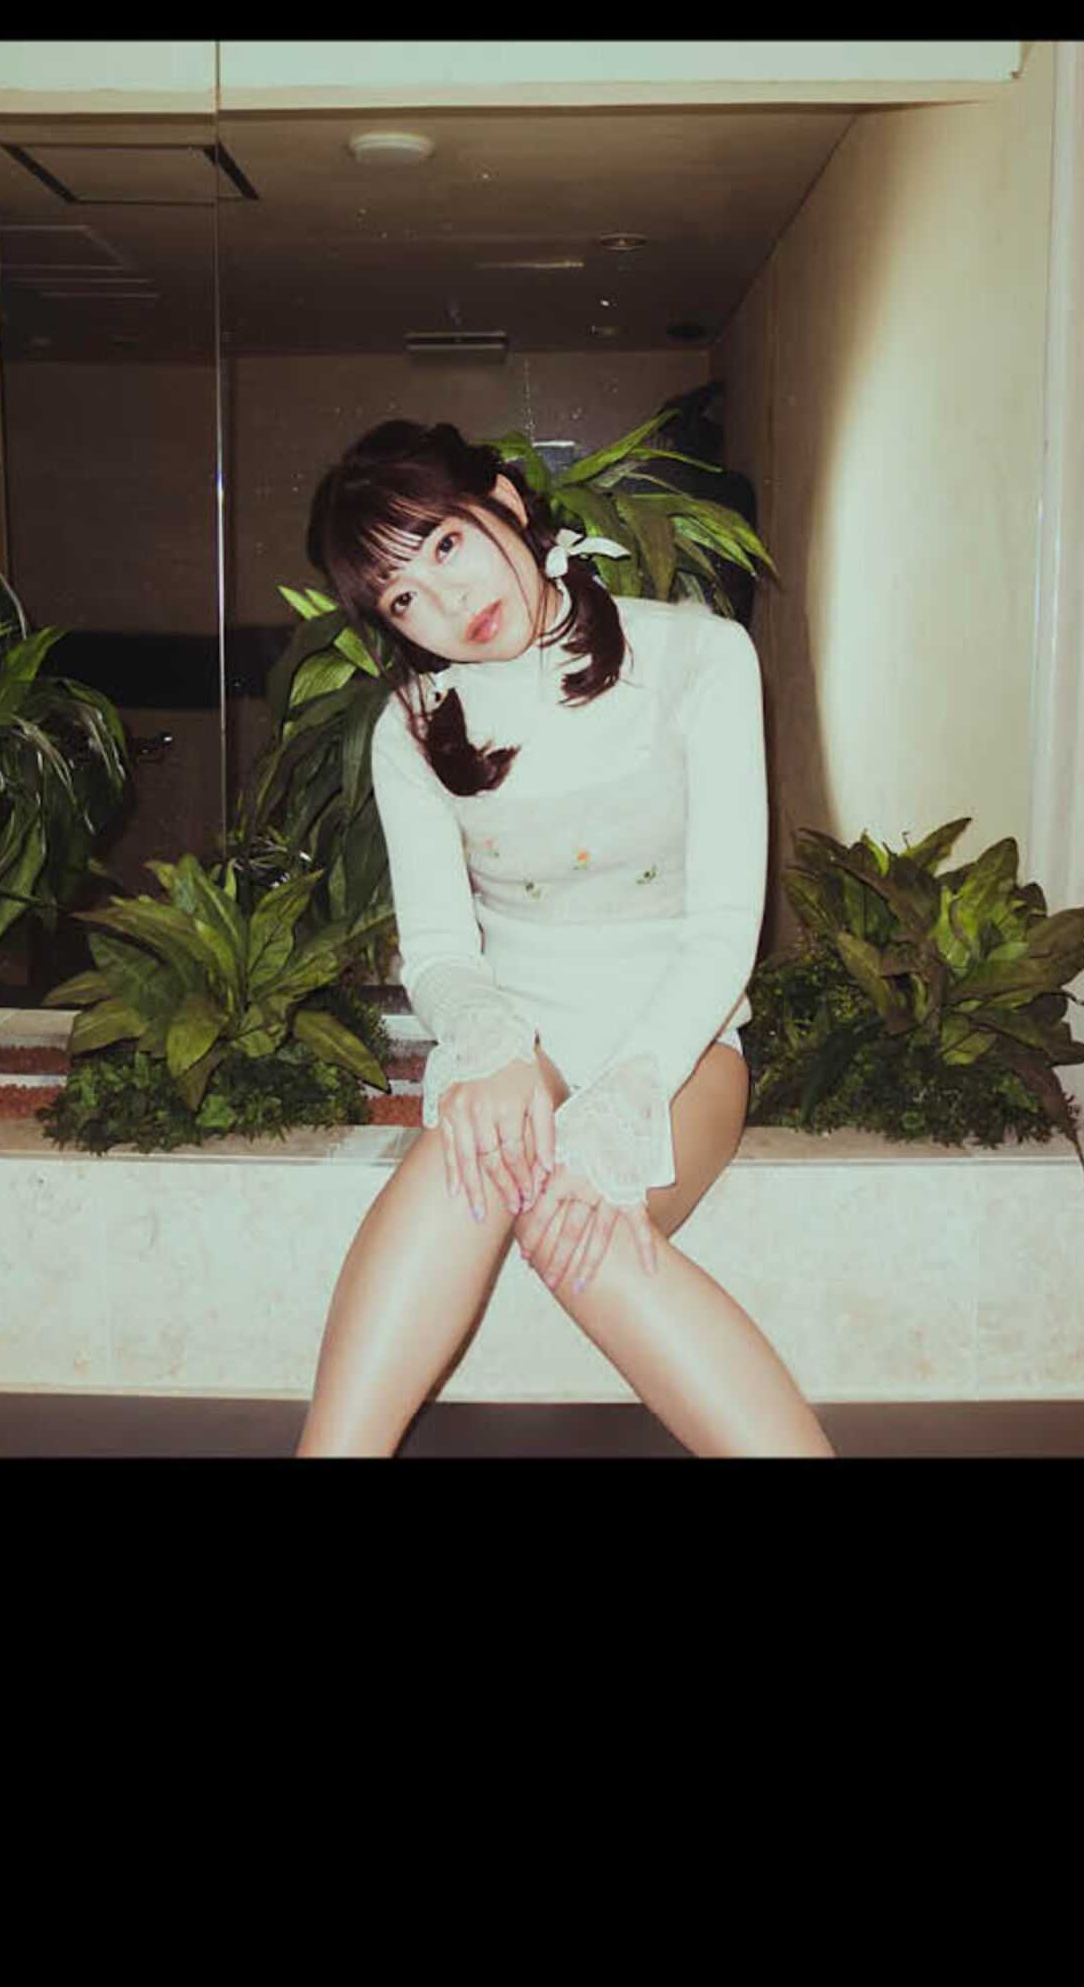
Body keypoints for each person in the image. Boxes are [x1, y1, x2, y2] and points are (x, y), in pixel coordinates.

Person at [293, 419, 836, 1458]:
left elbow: (726, 931)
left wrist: (623, 1101)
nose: (445, 602)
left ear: (503, 500)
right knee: (473, 1163)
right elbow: (438, 951)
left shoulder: (698, 656)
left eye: (445, 544)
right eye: (403, 598)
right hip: (521, 1044)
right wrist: (492, 1046)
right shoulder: (412, 726)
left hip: (679, 1048)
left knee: (573, 1220)